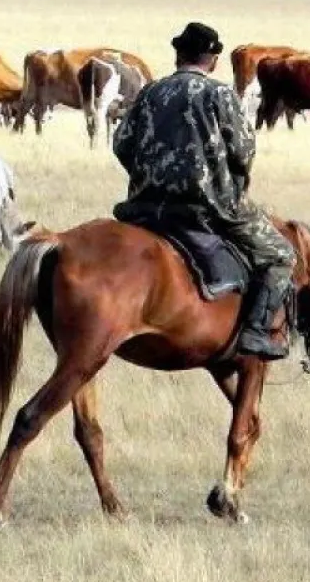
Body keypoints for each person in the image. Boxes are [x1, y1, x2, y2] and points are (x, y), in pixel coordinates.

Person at [111, 22, 298, 361]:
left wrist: (148, 177)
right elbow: (243, 150)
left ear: (178, 54)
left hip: (144, 208)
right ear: (212, 60)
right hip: (207, 208)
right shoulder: (220, 94)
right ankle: (256, 332)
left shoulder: (150, 92)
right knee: (280, 255)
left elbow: (121, 144)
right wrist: (234, 185)